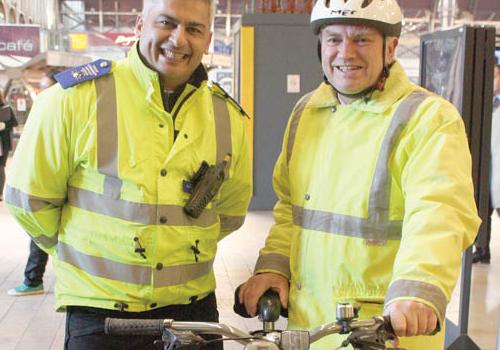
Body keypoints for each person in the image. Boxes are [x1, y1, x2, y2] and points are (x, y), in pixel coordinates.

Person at [5, 0, 252, 349]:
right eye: (167, 23)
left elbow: (229, 211)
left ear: (208, 38)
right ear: (140, 26)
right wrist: (82, 254)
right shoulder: (72, 100)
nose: (178, 39)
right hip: (101, 316)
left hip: (194, 313)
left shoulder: (227, 116)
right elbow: (30, 200)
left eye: (194, 29)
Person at [238, 0, 480, 349]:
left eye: (362, 40)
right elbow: (292, 209)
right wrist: (273, 267)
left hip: (385, 330)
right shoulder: (307, 112)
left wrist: (419, 285)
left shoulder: (427, 118)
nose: (345, 52)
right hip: (308, 329)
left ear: (391, 47)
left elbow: (440, 212)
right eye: (334, 39)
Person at [7, 70, 60, 296]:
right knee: (39, 231)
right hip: (40, 185)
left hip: (52, 189)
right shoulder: (46, 109)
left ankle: (33, 279)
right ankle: (33, 278)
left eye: (45, 87)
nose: (41, 92)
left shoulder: (58, 111)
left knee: (42, 232)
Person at [474, 56, 500, 263]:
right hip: (487, 165)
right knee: (484, 209)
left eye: (495, 76)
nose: (493, 81)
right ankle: (482, 250)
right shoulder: (485, 103)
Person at [0, 90, 18, 201]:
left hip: (2, 142)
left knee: (0, 166)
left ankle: (0, 193)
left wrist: (4, 125)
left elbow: (14, 123)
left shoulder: (6, 108)